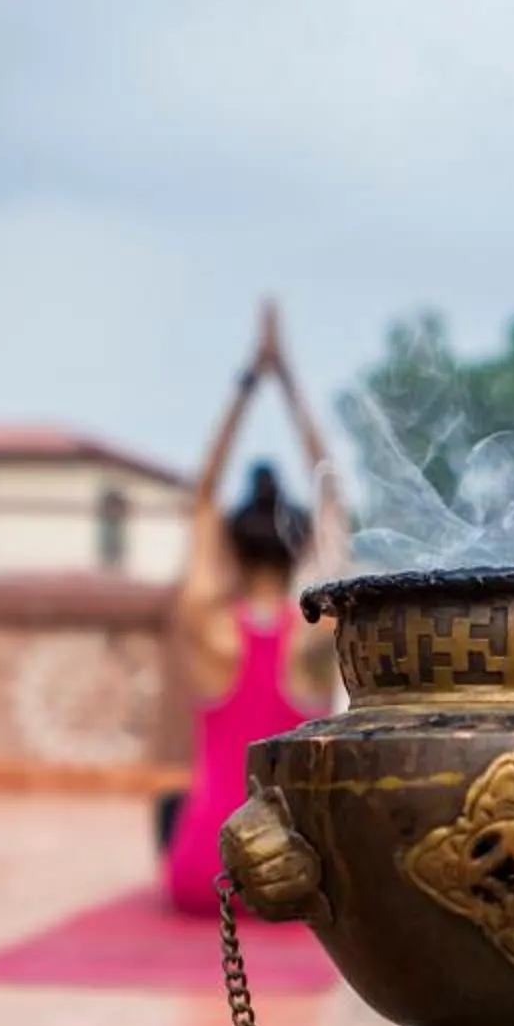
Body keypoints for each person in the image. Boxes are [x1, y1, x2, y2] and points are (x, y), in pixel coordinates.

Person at [161, 301, 343, 918]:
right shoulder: (318, 630)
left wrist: (249, 380)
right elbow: (331, 496)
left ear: (232, 551)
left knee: (170, 811)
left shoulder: (207, 624)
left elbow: (203, 496)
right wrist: (288, 379)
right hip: (292, 879)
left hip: (202, 874)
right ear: (297, 551)